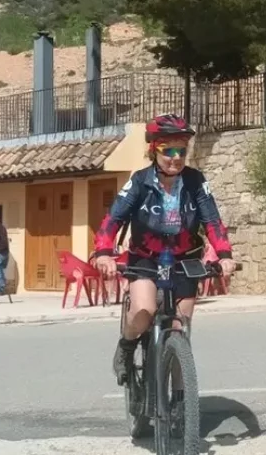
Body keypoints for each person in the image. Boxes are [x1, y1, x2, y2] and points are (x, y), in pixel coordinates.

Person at [93, 113, 235, 385]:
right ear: (153, 150)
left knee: (181, 328)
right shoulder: (140, 181)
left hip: (185, 260)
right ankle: (126, 346)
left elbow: (212, 221)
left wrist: (224, 255)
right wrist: (103, 253)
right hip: (145, 259)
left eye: (181, 150)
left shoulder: (195, 181)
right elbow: (114, 218)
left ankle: (182, 398)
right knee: (144, 311)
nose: (176, 157)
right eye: (168, 150)